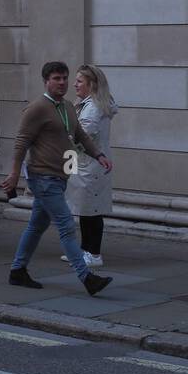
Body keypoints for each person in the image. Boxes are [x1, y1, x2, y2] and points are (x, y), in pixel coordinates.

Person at [1, 61, 114, 296]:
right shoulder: (37, 108)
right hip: (43, 176)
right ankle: (86, 277)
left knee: (36, 225)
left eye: (65, 78)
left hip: (59, 176)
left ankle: (17, 270)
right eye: (56, 78)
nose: (62, 83)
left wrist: (99, 154)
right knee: (65, 224)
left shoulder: (68, 107)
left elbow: (80, 134)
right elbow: (21, 142)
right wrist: (13, 174)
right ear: (46, 81)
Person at [67, 64, 118, 269]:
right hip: (87, 164)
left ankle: (94, 254)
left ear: (92, 84)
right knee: (85, 209)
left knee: (92, 211)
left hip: (91, 165)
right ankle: (85, 250)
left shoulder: (93, 106)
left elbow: (84, 134)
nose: (74, 84)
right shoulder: (88, 104)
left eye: (79, 81)